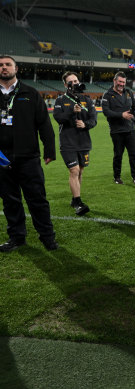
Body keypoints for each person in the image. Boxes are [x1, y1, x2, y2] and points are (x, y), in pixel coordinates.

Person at [0, 55, 58, 252]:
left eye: (8, 64)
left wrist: (49, 150)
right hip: (2, 158)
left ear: (16, 69)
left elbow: (44, 124)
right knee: (10, 201)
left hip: (28, 157)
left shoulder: (30, 93)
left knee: (37, 199)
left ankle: (48, 238)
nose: (4, 68)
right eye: (0, 65)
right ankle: (16, 237)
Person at [53, 71, 97, 216]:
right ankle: (78, 203)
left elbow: (93, 119)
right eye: (71, 82)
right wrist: (72, 112)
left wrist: (85, 124)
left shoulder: (87, 99)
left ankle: (74, 198)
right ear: (65, 85)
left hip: (83, 142)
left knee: (80, 171)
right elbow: (58, 118)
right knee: (74, 170)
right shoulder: (60, 100)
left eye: (76, 81)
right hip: (68, 142)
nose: (75, 83)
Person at [102, 71, 135, 185]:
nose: (122, 84)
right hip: (117, 131)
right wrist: (121, 115)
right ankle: (117, 177)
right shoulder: (107, 95)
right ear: (114, 81)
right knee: (118, 155)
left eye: (123, 82)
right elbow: (106, 112)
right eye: (120, 81)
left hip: (130, 130)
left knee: (133, 154)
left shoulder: (128, 92)